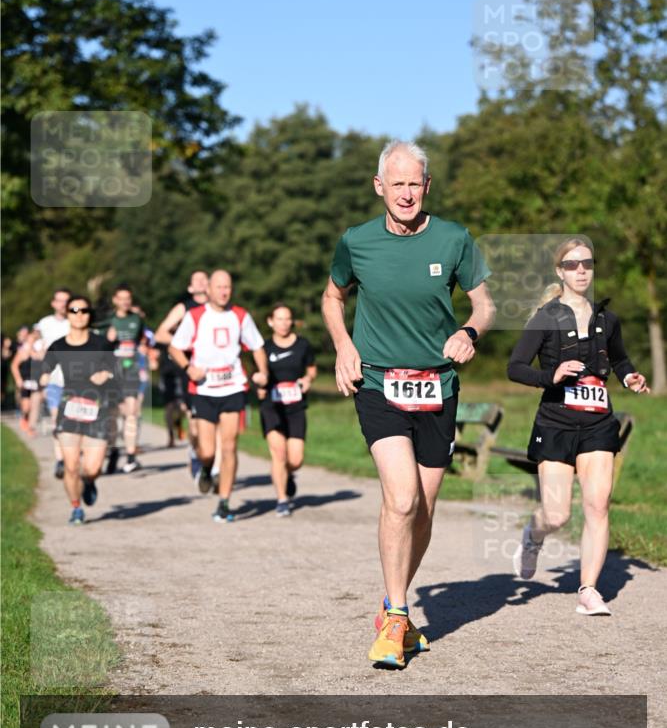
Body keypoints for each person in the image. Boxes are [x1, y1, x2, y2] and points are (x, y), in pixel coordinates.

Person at [322, 139, 495, 669]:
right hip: (378, 383)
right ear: (379, 186)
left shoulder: (453, 238)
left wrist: (468, 331)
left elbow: (484, 305)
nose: (405, 193)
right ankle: (397, 616)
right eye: (396, 183)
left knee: (423, 508)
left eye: (414, 183)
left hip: (438, 386)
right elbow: (332, 297)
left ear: (427, 185)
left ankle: (391, 605)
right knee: (400, 500)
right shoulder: (357, 241)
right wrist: (343, 346)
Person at [507, 237, 650, 615]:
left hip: (598, 422)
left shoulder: (607, 320)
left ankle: (588, 590)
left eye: (587, 263)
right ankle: (533, 535)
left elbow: (619, 360)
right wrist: (550, 376)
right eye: (572, 265)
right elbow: (515, 367)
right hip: (556, 421)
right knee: (557, 514)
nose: (581, 270)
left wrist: (630, 376)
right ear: (560, 272)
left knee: (598, 504)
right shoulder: (545, 318)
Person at [169, 269, 268, 522]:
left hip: (233, 387)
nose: (224, 292)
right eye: (219, 287)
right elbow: (175, 347)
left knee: (229, 446)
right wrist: (188, 368)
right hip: (203, 389)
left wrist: (263, 373)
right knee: (207, 451)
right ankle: (205, 468)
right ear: (208, 290)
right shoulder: (195, 316)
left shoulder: (240, 315)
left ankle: (224, 502)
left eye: (228, 287)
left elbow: (257, 346)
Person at [39, 295, 118, 525]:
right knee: (71, 466)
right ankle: (76, 508)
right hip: (70, 408)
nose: (79, 315)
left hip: (98, 409)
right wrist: (43, 377)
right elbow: (44, 369)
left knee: (91, 469)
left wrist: (105, 374)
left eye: (84, 311)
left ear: (90, 315)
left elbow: (116, 370)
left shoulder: (101, 344)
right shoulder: (59, 346)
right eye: (74, 310)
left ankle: (89, 481)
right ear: (67, 314)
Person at [256, 304, 317, 516]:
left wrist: (308, 379)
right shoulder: (263, 348)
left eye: (287, 319)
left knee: (295, 460)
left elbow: (311, 369)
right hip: (271, 407)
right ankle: (282, 500)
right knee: (279, 454)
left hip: (296, 407)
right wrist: (259, 385)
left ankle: (288, 474)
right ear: (270, 321)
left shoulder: (302, 344)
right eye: (279, 319)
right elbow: (257, 374)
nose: (284, 323)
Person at [155, 271, 209, 475]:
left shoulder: (219, 308)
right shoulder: (183, 308)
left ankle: (214, 463)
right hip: (190, 369)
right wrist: (185, 342)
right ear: (190, 288)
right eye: (197, 280)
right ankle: (195, 452)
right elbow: (160, 334)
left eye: (205, 279)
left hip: (216, 369)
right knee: (194, 421)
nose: (202, 282)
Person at [106, 284, 144, 473]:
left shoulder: (137, 319)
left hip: (131, 371)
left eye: (128, 298)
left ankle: (130, 457)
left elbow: (143, 340)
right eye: (121, 298)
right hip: (112, 373)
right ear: (115, 300)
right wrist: (109, 339)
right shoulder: (108, 320)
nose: (125, 302)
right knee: (112, 415)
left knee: (132, 412)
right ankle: (113, 450)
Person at [37, 288, 71, 478]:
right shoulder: (45, 324)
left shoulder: (76, 321)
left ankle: (73, 457)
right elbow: (38, 347)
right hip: (53, 381)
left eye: (66, 301)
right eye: (60, 300)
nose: (63, 304)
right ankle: (60, 460)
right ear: (53, 303)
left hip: (75, 381)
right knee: (57, 421)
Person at [10, 326, 45, 435]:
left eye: (33, 340)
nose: (32, 342)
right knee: (26, 406)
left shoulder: (37, 353)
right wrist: (18, 379)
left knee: (35, 404)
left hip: (35, 382)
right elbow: (14, 366)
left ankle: (31, 426)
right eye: (30, 340)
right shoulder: (22, 353)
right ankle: (25, 418)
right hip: (25, 381)